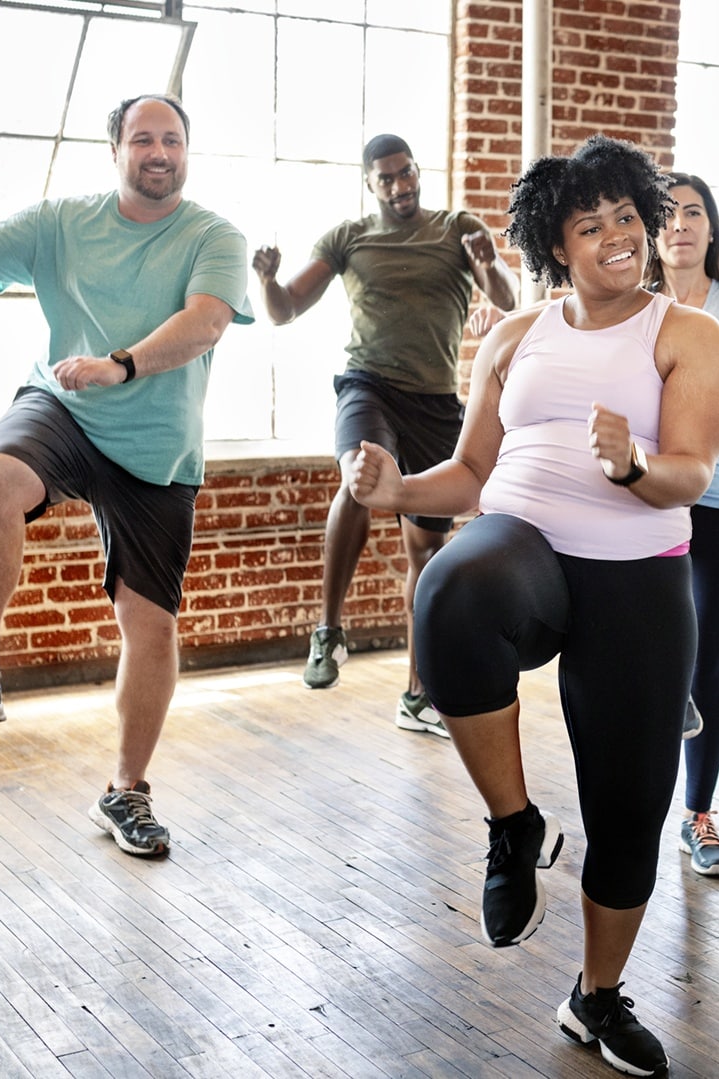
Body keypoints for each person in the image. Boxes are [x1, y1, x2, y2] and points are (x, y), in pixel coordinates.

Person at [349, 133, 719, 1075]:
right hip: (523, 545)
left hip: (637, 573)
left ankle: (596, 996)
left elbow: (690, 471)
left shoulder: (685, 333)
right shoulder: (515, 337)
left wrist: (632, 465)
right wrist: (397, 491)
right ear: (557, 244)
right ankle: (513, 826)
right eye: (591, 226)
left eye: (628, 217)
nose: (618, 237)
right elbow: (471, 470)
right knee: (449, 590)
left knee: (630, 811)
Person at [0, 93, 252, 857]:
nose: (159, 152)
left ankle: (126, 789)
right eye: (142, 139)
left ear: (186, 150)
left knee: (150, 624)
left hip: (157, 447)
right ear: (115, 150)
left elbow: (207, 321)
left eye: (172, 139)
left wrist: (121, 364)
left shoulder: (216, 235)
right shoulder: (60, 224)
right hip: (66, 407)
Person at [252, 133, 517, 736]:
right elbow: (283, 308)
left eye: (407, 173)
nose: (401, 186)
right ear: (370, 184)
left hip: (434, 404)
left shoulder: (456, 228)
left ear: (417, 172)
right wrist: (266, 280)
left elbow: (503, 297)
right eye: (387, 178)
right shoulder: (348, 237)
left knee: (427, 552)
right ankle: (328, 630)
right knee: (360, 475)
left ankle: (419, 695)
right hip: (367, 385)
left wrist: (485, 261)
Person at [647, 172, 719, 875]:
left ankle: (697, 814)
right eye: (667, 215)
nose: (680, 225)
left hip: (716, 504)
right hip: (652, 501)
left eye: (694, 212)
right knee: (670, 648)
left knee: (711, 654)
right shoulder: (638, 312)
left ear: (711, 227)